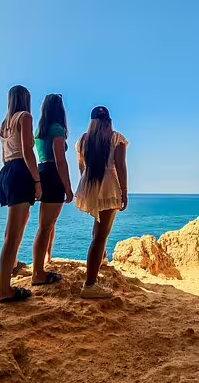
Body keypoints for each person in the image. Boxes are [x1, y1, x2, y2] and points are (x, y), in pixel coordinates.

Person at [75, 106, 128, 299]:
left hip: (89, 184)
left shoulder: (83, 140)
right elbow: (120, 167)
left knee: (98, 229)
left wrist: (88, 189)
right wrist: (124, 192)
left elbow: (81, 167)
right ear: (108, 121)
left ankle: (102, 259)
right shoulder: (116, 138)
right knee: (101, 235)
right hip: (107, 186)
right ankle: (90, 285)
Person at [0, 85, 41, 303]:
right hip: (20, 171)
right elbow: (27, 151)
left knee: (13, 229)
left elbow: (5, 154)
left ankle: (12, 267)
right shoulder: (25, 117)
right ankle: (4, 289)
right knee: (13, 236)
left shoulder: (4, 124)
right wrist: (37, 180)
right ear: (26, 100)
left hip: (6, 171)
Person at [32, 94, 73, 286]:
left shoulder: (39, 131)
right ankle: (38, 273)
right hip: (53, 174)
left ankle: (47, 259)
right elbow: (60, 161)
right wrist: (68, 187)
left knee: (48, 223)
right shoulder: (57, 129)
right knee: (46, 226)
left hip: (42, 171)